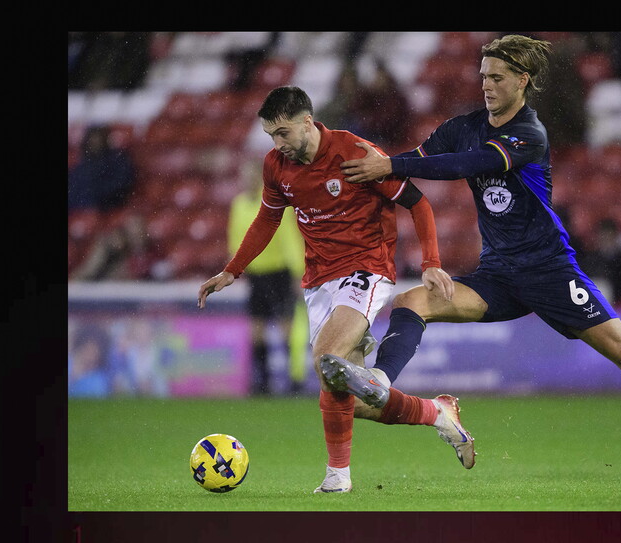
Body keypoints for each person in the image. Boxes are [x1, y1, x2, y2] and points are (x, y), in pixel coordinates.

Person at [337, 34, 621, 479]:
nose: (487, 85)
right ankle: (379, 381)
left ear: (522, 80)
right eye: (483, 77)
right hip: (497, 276)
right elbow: (414, 162)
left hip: (550, 272)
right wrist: (369, 170)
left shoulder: (528, 135)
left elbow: (464, 166)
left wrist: (392, 166)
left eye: (497, 77)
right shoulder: (463, 126)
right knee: (411, 302)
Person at [197, 86, 475, 494]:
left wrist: (432, 263)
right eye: (271, 135)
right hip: (318, 281)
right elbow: (267, 220)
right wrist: (233, 271)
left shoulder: (355, 152)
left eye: (284, 133)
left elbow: (418, 203)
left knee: (326, 357)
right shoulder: (276, 166)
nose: (277, 144)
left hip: (366, 268)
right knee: (354, 396)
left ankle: (337, 478)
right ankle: (437, 413)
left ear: (308, 122)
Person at [229, 159, 310, 395]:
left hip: (279, 272)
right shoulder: (239, 204)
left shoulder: (275, 203)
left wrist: (297, 272)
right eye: (245, 176)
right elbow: (235, 238)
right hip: (257, 275)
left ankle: (294, 381)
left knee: (287, 327)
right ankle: (262, 382)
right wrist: (237, 267)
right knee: (257, 328)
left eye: (252, 175)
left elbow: (289, 238)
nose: (248, 180)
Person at [67, 125, 137, 213]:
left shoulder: (117, 158)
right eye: (92, 139)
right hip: (81, 210)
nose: (94, 142)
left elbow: (120, 183)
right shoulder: (83, 163)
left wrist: (97, 198)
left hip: (106, 208)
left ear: (104, 139)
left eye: (97, 138)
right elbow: (74, 188)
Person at [575, 217, 621, 305]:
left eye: (609, 237)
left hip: (617, 300)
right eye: (603, 237)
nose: (606, 241)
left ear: (615, 237)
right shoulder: (591, 258)